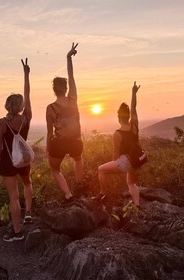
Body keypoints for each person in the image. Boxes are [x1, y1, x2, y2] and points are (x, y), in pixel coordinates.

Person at [0, 58, 32, 242]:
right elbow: (28, 94)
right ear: (21, 105)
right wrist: (26, 75)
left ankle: (17, 231)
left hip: (8, 162)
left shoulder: (2, 123)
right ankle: (30, 213)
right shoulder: (26, 118)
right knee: (27, 183)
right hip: (24, 159)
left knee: (13, 197)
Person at [92, 82, 142, 206]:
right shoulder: (134, 125)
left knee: (101, 170)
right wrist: (133, 93)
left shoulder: (117, 134)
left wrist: (116, 165)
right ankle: (137, 205)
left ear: (118, 117)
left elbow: (116, 153)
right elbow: (134, 107)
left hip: (125, 162)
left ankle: (103, 193)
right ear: (129, 115)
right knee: (131, 183)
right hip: (137, 160)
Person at [46, 43, 84, 202]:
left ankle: (68, 194)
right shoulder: (73, 99)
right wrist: (68, 57)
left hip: (59, 143)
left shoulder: (50, 108)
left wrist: (48, 147)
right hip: (75, 141)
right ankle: (80, 186)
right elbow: (71, 75)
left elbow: (49, 132)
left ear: (54, 89)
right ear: (66, 88)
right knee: (78, 159)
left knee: (55, 169)